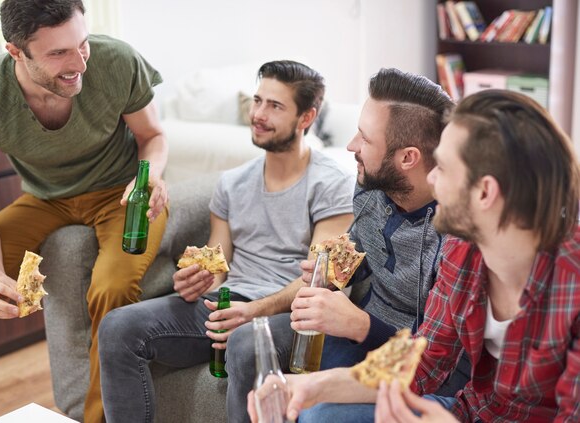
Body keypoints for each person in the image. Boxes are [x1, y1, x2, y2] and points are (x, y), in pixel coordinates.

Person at [252, 89, 580, 423]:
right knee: (321, 414)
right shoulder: (463, 250)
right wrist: (312, 386)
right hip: (472, 413)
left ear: (485, 192)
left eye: (444, 168)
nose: (432, 178)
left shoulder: (571, 282)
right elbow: (422, 364)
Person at [97, 60, 355, 422]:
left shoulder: (331, 184)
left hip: (291, 315)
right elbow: (218, 265)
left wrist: (255, 311)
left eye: (275, 106)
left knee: (247, 342)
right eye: (258, 100)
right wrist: (198, 278)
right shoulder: (232, 183)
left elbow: (321, 280)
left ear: (306, 118)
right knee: (118, 326)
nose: (259, 114)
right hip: (230, 305)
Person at [0, 1, 169, 422]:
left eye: (82, 44)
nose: (79, 64)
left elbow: (153, 135)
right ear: (16, 52)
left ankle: (95, 419)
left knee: (112, 287)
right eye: (58, 54)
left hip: (121, 193)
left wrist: (151, 177)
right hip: (45, 198)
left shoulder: (116, 61)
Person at [225, 67, 467, 422]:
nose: (351, 146)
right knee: (245, 343)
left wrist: (361, 324)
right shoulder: (370, 185)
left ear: (408, 158)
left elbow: (438, 357)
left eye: (365, 139)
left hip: (418, 361)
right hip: (357, 332)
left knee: (319, 414)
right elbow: (361, 250)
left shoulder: (453, 233)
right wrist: (331, 273)